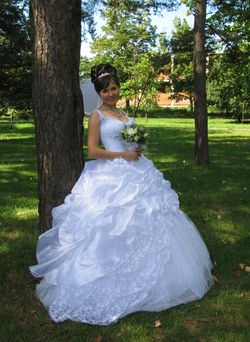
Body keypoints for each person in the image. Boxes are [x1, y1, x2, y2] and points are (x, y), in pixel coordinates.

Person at [29, 63, 214, 325]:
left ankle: (160, 279)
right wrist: (124, 155)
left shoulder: (124, 114)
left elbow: (131, 143)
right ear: (99, 92)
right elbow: (93, 151)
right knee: (110, 225)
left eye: (114, 88)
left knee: (153, 217)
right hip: (111, 176)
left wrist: (136, 147)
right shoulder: (97, 116)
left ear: (119, 89)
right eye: (105, 90)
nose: (111, 93)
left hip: (138, 171)